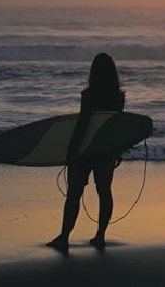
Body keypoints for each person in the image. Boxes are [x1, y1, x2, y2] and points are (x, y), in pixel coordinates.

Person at [47, 53, 125, 253]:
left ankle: (64, 237)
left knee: (74, 194)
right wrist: (117, 151)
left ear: (93, 72)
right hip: (106, 150)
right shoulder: (118, 97)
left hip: (84, 151)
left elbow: (83, 125)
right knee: (104, 191)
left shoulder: (89, 95)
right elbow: (115, 127)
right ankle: (100, 236)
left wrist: (72, 151)